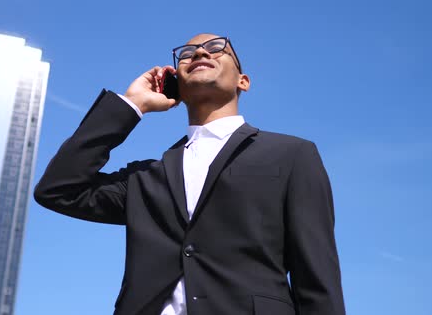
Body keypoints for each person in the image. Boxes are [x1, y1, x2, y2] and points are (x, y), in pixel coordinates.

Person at [34, 33, 346, 315]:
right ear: (177, 85)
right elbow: (58, 190)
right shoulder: (145, 178)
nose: (199, 54)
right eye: (188, 53)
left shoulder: (292, 155)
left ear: (243, 81)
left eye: (215, 48)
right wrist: (133, 105)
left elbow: (317, 277)